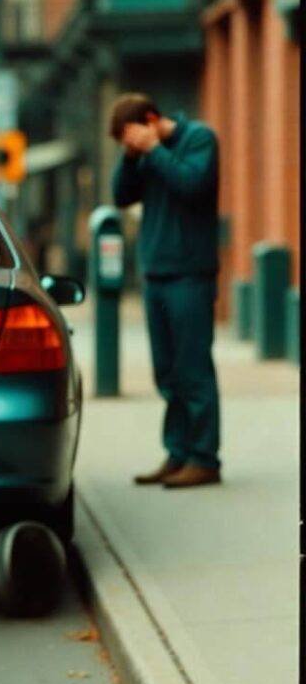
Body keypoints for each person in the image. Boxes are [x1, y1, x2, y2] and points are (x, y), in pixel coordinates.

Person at [109, 93, 222, 488]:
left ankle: (204, 458)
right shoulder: (141, 154)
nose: (133, 147)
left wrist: (153, 149)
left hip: (190, 274)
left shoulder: (199, 140)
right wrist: (129, 156)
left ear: (153, 119)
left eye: (132, 139)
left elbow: (192, 185)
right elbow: (122, 196)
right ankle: (178, 452)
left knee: (193, 370)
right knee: (167, 373)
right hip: (156, 274)